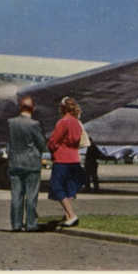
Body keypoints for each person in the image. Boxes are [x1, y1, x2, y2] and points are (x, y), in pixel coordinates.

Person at [7, 96, 48, 232]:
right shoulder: (34, 125)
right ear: (33, 109)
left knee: (16, 195)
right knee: (31, 195)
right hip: (31, 164)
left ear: (20, 108)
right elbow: (42, 145)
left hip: (15, 163)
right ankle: (31, 224)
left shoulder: (11, 122)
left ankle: (16, 224)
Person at [47, 97, 87, 227]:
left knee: (56, 186)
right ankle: (67, 215)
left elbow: (54, 141)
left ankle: (71, 214)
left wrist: (51, 149)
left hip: (62, 158)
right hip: (75, 158)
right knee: (70, 188)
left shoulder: (63, 122)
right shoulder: (77, 122)